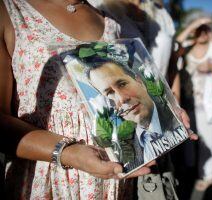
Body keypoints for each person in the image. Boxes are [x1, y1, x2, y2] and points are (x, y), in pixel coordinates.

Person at [0, 0, 157, 199]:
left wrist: (162, 110)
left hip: (112, 180)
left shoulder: (111, 23)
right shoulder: (10, 11)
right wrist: (68, 153)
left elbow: (127, 98)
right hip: (47, 177)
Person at [87, 61, 185, 163]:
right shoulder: (123, 151)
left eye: (122, 84)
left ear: (139, 81)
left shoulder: (175, 118)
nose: (122, 98)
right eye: (110, 93)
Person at [176, 17, 212, 191]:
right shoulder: (188, 46)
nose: (202, 32)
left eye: (205, 29)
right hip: (189, 100)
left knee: (209, 140)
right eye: (199, 29)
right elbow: (175, 45)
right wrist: (193, 24)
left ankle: (208, 175)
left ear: (209, 31)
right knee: (189, 138)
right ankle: (191, 169)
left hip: (209, 104)